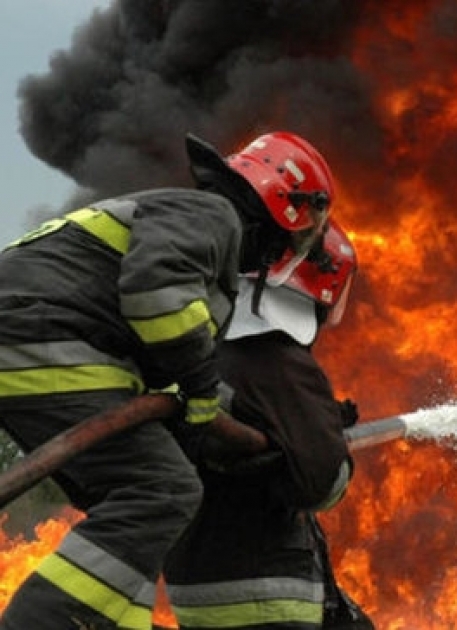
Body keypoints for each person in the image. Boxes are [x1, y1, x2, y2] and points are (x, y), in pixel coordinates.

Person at [0, 130, 337, 630]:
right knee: (164, 489)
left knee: (128, 501)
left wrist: (215, 411)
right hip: (41, 337)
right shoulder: (212, 216)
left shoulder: (190, 225)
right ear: (284, 208)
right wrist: (202, 391)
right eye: (304, 228)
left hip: (37, 340)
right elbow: (154, 297)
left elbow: (159, 349)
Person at [163, 219, 374, 629]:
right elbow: (321, 485)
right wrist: (330, 445)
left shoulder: (204, 351)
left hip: (195, 582)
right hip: (265, 591)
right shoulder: (280, 362)